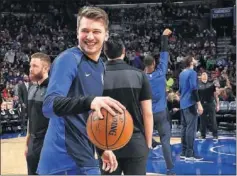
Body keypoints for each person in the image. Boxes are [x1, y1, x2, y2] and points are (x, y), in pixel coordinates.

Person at [37, 6, 125, 175]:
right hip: (62, 161)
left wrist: (101, 148)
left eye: (96, 31)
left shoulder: (100, 66)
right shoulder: (68, 60)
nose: (90, 37)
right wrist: (90, 101)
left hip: (84, 155)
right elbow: (48, 106)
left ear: (106, 35)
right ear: (77, 33)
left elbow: (87, 117)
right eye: (85, 31)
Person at [98, 34, 153, 175]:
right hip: (135, 141)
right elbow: (147, 113)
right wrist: (148, 144)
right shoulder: (139, 75)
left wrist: (99, 148)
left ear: (105, 52)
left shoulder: (96, 76)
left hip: (106, 142)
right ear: (124, 51)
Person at [144, 29, 175, 175]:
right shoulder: (161, 71)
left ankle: (139, 169)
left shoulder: (141, 78)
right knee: (165, 142)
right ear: (154, 63)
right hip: (161, 113)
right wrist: (163, 37)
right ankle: (170, 170)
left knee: (144, 143)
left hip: (147, 114)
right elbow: (164, 53)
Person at [25, 52, 51, 175]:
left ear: (46, 68)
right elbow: (30, 119)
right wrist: (27, 144)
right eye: (30, 66)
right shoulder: (31, 88)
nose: (31, 69)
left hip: (48, 145)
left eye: (35, 66)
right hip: (33, 145)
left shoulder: (53, 90)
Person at [179, 56, 203, 161]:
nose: (195, 60)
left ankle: (184, 152)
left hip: (182, 103)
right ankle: (189, 153)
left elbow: (179, 90)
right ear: (191, 62)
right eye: (194, 59)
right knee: (191, 128)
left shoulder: (181, 73)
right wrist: (199, 104)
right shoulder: (192, 73)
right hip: (190, 103)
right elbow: (194, 89)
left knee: (184, 128)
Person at [198, 72, 219, 142]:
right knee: (202, 121)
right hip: (202, 104)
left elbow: (216, 94)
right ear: (201, 76)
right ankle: (203, 135)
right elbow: (196, 97)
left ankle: (215, 135)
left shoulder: (211, 84)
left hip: (210, 104)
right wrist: (197, 106)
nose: (204, 75)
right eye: (203, 74)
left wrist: (217, 104)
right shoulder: (198, 84)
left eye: (205, 74)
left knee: (213, 119)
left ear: (207, 76)